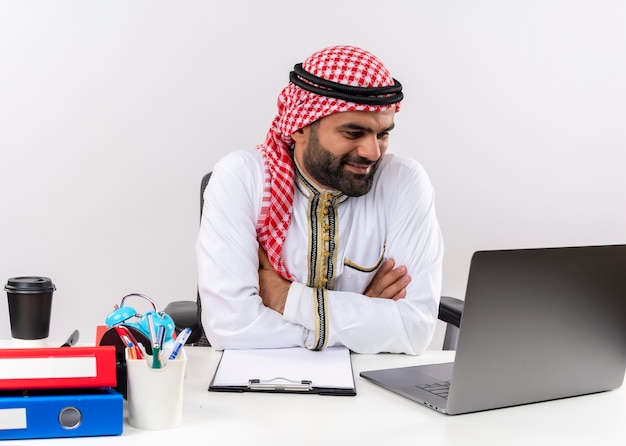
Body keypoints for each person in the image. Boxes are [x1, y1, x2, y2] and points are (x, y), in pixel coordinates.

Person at [196, 45, 444, 355]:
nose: (372, 152)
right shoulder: (242, 177)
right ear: (300, 126)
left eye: (382, 134)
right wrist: (365, 317)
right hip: (258, 387)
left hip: (366, 388)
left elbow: (415, 329)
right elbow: (230, 328)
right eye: (353, 132)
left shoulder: (403, 182)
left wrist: (288, 299)